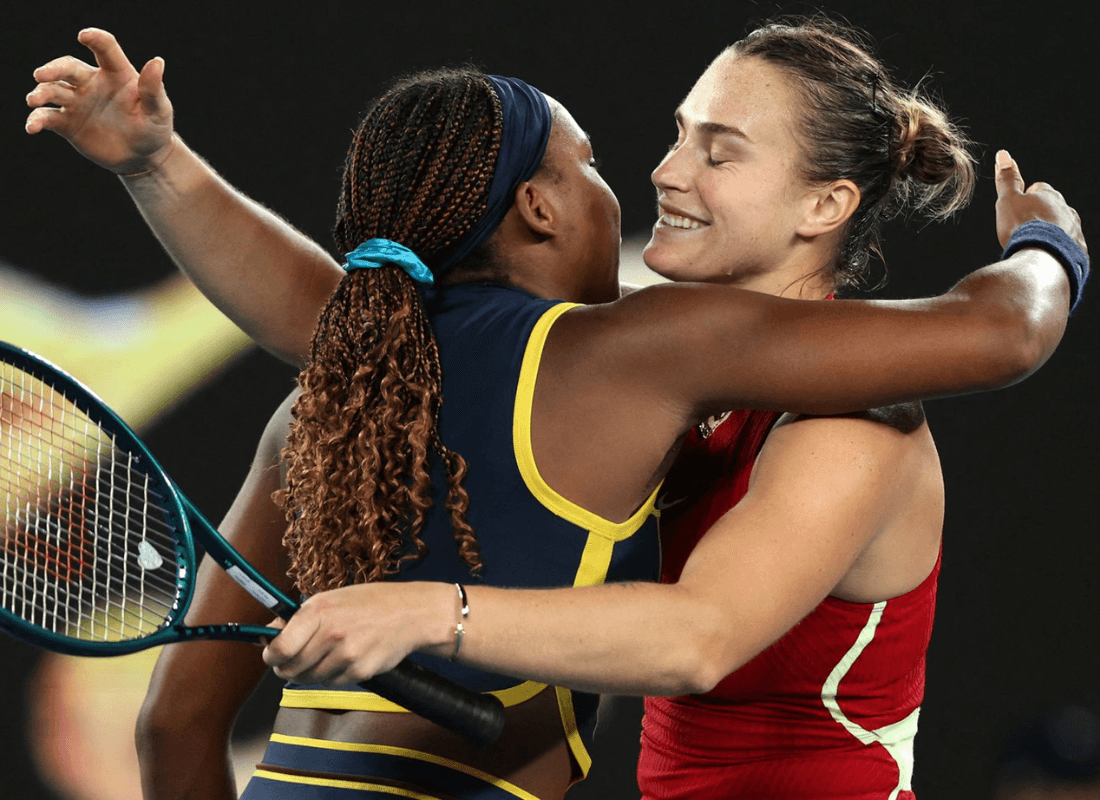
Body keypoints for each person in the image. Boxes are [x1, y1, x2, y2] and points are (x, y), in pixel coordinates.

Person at [25, 22, 1087, 800]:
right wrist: (159, 164)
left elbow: (701, 636)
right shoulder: (631, 363)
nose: (664, 170)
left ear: (824, 205)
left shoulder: (845, 411)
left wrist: (1049, 245)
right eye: (675, 134)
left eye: (719, 150)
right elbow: (331, 316)